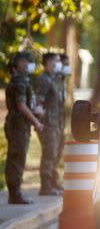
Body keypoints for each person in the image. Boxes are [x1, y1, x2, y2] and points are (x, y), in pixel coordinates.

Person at [4, 51, 44, 204]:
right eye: (23, 61)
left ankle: (15, 193)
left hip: (18, 125)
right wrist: (36, 122)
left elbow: (23, 105)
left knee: (16, 158)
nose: (27, 63)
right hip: (18, 126)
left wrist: (35, 112)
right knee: (17, 160)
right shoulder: (20, 81)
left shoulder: (21, 80)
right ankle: (15, 195)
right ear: (16, 64)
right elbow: (21, 106)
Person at [35, 53, 64, 195]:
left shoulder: (53, 79)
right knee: (49, 154)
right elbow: (39, 102)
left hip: (54, 123)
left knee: (54, 154)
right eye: (55, 60)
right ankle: (45, 186)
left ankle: (52, 183)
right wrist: (39, 122)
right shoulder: (43, 79)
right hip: (47, 124)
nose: (57, 63)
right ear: (47, 62)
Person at [55, 52, 71, 184]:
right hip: (52, 122)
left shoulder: (62, 81)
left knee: (58, 152)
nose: (68, 67)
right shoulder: (53, 80)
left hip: (59, 122)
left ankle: (54, 182)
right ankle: (49, 184)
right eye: (65, 64)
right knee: (52, 153)